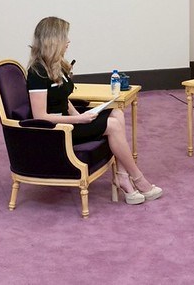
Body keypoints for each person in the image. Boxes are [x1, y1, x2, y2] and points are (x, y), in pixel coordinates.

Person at [26, 16, 163, 205]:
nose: (68, 42)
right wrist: (79, 120)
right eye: (65, 37)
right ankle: (138, 178)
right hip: (57, 131)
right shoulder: (37, 73)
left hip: (69, 121)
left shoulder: (57, 66)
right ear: (53, 40)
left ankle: (122, 177)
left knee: (117, 113)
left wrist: (78, 114)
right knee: (113, 125)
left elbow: (63, 100)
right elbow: (40, 116)